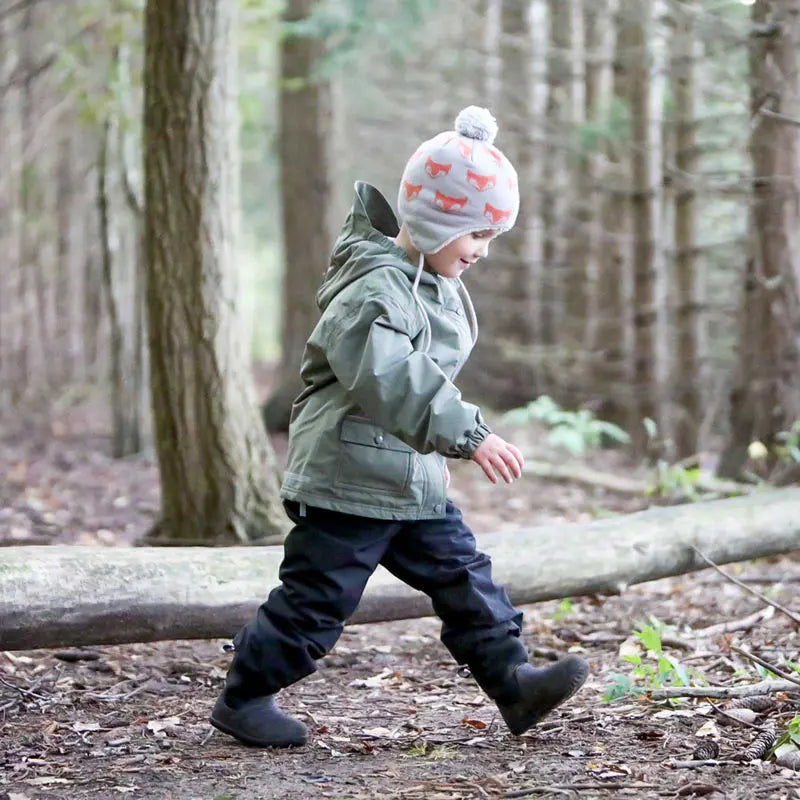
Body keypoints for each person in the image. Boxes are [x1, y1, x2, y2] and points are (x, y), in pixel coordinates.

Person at [210, 106, 588, 748]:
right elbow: (393, 377)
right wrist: (470, 434)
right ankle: (244, 696)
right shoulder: (373, 290)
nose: (482, 250)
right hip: (347, 481)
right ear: (437, 221)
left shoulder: (428, 282)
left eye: (491, 237)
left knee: (466, 577)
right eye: (476, 234)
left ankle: (514, 684)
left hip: (408, 482)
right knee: (318, 599)